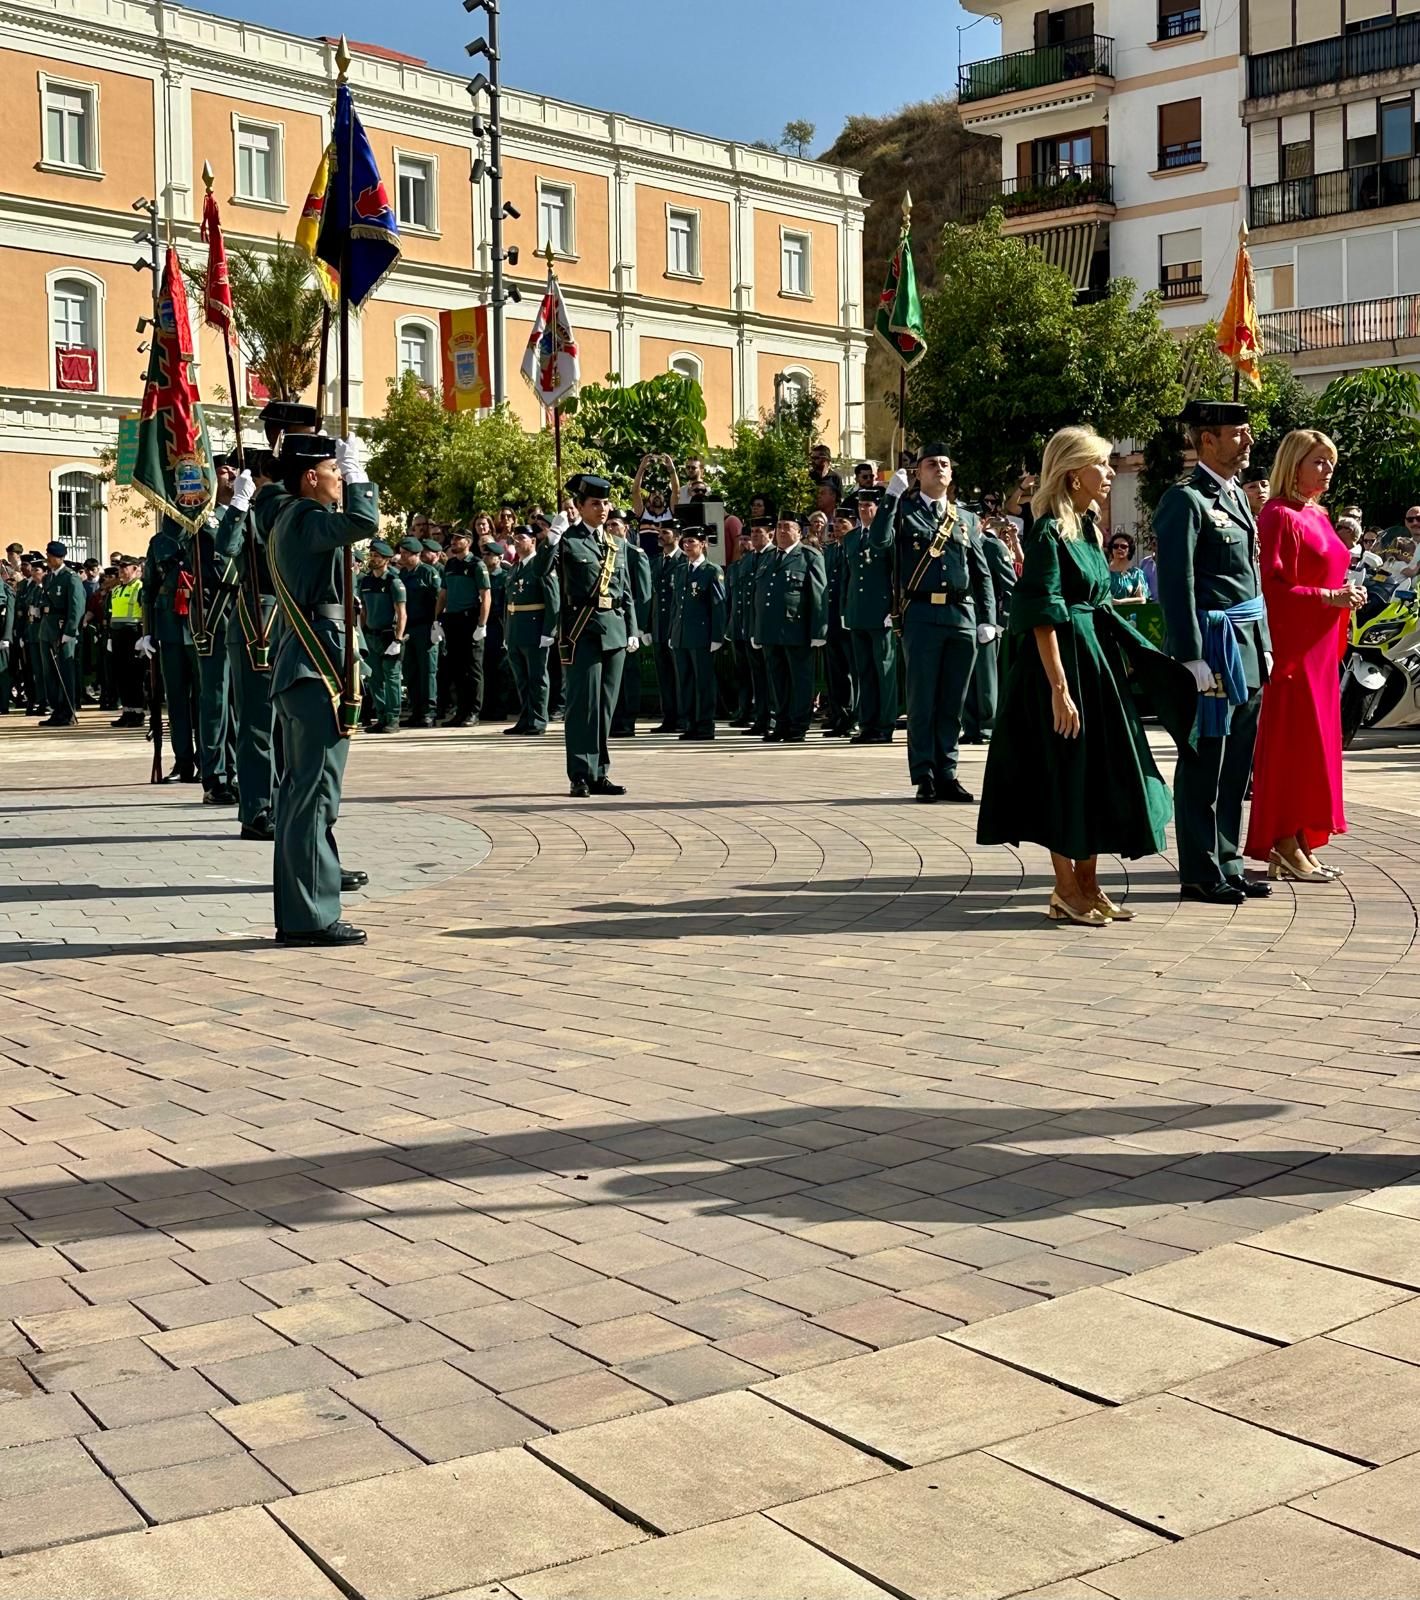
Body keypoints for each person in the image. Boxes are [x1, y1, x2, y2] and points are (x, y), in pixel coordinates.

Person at [978, 427, 1197, 924]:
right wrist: (1059, 689)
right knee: (1060, 772)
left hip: (1095, 663)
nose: (1109, 472)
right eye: (1101, 465)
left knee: (1096, 773)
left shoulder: (1089, 528)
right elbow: (1041, 612)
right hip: (1057, 667)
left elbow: (1097, 601)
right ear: (1074, 473)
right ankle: (1063, 889)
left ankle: (1089, 883)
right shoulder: (1048, 531)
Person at [1154, 399, 1273, 905]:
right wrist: (1189, 655)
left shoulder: (1236, 497)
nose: (1247, 441)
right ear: (1207, 440)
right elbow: (1177, 582)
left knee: (1235, 766)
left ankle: (1227, 860)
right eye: (1237, 433)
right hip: (1212, 649)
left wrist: (1264, 647)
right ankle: (1200, 869)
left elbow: (1250, 579)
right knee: (1205, 761)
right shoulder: (1185, 499)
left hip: (1244, 646)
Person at [268, 433, 378, 947]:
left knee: (302, 793)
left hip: (306, 664)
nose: (341, 474)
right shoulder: (307, 518)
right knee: (313, 796)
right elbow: (364, 523)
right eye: (336, 468)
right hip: (315, 667)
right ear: (312, 477)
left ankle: (302, 905)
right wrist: (361, 479)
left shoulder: (292, 518)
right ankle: (309, 917)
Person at [1245, 431, 1361, 883]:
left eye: (1330, 463)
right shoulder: (1277, 515)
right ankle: (1284, 842)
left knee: (1315, 748)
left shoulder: (1318, 515)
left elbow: (1329, 569)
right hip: (1294, 651)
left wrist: (1346, 595)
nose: (1328, 471)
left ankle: (1299, 844)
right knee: (1294, 746)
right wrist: (1327, 596)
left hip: (1321, 646)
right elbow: (1272, 588)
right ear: (1294, 464)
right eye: (1319, 462)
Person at [872, 443, 995, 802]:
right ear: (918, 473)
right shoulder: (904, 512)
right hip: (922, 616)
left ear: (951, 473)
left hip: (961, 615)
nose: (938, 469)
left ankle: (948, 772)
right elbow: (880, 542)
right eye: (930, 464)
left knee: (952, 701)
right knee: (922, 700)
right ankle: (924, 773)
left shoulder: (966, 518)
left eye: (944, 464)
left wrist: (987, 618)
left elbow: (981, 572)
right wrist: (890, 499)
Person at [533, 474, 640, 797]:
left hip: (615, 631)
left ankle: (599, 772)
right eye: (595, 503)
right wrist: (552, 536)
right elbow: (540, 570)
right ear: (579, 507)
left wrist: (632, 629)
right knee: (583, 706)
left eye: (606, 503)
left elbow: (626, 591)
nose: (603, 509)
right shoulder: (568, 540)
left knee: (606, 706)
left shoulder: (615, 543)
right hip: (582, 632)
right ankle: (580, 772)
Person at [216, 451, 279, 838]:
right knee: (258, 724)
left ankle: (285, 804)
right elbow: (228, 546)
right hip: (259, 619)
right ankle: (257, 811)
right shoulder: (250, 513)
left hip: (292, 620)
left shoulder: (291, 512)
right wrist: (239, 504)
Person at [753, 513, 827, 742]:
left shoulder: (809, 556)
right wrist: (757, 629)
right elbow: (759, 597)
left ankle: (798, 725)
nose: (782, 531)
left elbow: (818, 596)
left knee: (800, 681)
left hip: (796, 629)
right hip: (770, 630)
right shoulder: (767, 558)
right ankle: (781, 723)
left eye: (787, 527)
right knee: (777, 680)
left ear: (799, 532)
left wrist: (818, 631)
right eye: (779, 526)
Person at [842, 497, 897, 746]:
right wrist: (846, 608)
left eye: (870, 506)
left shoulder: (889, 535)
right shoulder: (852, 538)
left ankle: (885, 725)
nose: (865, 510)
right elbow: (848, 576)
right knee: (863, 671)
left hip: (881, 613)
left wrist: (894, 609)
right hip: (858, 612)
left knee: (884, 671)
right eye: (861, 506)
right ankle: (867, 723)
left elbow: (896, 573)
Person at [963, 515, 1018, 744]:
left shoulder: (992, 546)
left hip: (987, 620)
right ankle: (971, 727)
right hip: (963, 618)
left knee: (986, 678)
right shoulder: (960, 544)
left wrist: (1000, 623)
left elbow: (1010, 586)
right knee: (966, 677)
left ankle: (987, 726)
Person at [670, 526, 726, 740]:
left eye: (692, 541)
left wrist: (717, 636)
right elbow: (677, 605)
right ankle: (690, 722)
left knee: (703, 681)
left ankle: (705, 724)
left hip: (702, 635)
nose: (687, 545)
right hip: (681, 634)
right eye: (685, 542)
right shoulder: (681, 570)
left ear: (703, 544)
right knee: (685, 681)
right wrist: (672, 632)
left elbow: (718, 605)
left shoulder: (711, 570)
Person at [503, 525, 558, 736]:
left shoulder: (540, 565)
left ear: (533, 541)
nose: (516, 542)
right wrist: (508, 633)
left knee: (537, 678)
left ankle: (538, 720)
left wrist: (549, 630)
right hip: (516, 630)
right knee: (521, 679)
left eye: (521, 538)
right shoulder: (515, 568)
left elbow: (553, 600)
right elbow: (509, 603)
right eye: (514, 539)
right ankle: (525, 718)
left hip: (535, 629)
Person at [440, 526, 490, 727]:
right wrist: (437, 619)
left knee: (473, 668)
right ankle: (460, 711)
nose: (453, 541)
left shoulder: (477, 565)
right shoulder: (450, 564)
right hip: (452, 619)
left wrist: (482, 624)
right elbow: (443, 593)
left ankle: (473, 712)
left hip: (469, 619)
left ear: (468, 542)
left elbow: (486, 595)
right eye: (452, 538)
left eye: (458, 539)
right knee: (456, 668)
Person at [356, 539, 406, 735]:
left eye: (377, 556)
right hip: (371, 635)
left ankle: (393, 717)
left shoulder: (394, 581)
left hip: (388, 635)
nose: (373, 559)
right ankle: (382, 715)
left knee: (392, 677)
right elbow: (364, 611)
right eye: (372, 555)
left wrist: (398, 639)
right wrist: (362, 633)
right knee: (374, 678)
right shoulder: (366, 581)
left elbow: (401, 612)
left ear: (386, 560)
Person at [37, 542, 85, 727]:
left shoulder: (70, 578)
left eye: (51, 556)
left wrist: (70, 631)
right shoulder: (48, 578)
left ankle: (68, 711)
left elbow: (76, 607)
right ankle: (56, 710)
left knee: (65, 672)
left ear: (60, 557)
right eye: (47, 555)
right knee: (49, 672)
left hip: (62, 628)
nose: (48, 559)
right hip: (47, 628)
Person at [397, 535, 441, 727]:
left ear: (416, 555)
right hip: (409, 628)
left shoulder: (428, 572)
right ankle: (416, 710)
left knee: (428, 671)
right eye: (402, 553)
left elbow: (440, 598)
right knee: (411, 671)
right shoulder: (403, 575)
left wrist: (437, 623)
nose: (402, 557)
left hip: (426, 626)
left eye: (406, 554)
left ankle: (429, 712)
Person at [819, 507, 856, 736]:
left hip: (849, 618)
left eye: (843, 523)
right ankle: (838, 715)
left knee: (852, 671)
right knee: (835, 671)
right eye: (835, 523)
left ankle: (853, 716)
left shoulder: (855, 547)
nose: (837, 528)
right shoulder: (830, 551)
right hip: (832, 618)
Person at [739, 517, 774, 735]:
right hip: (750, 625)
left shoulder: (773, 557)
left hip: (767, 626)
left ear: (770, 534)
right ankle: (761, 717)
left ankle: (771, 718)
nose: (754, 536)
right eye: (752, 532)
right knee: (757, 677)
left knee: (771, 676)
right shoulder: (749, 559)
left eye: (759, 532)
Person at [648, 521, 685, 733]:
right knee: (664, 675)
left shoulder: (683, 561)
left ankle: (683, 716)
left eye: (665, 532)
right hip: (659, 627)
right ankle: (669, 717)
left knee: (680, 675)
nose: (660, 536)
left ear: (677, 536)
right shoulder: (655, 562)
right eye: (660, 532)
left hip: (676, 626)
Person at [1106, 532, 1148, 603]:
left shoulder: (1136, 573)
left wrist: (1120, 602)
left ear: (1129, 550)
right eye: (1115, 546)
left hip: (1129, 612)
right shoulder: (1103, 572)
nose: (1119, 548)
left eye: (1123, 546)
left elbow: (1142, 600)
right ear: (1111, 549)